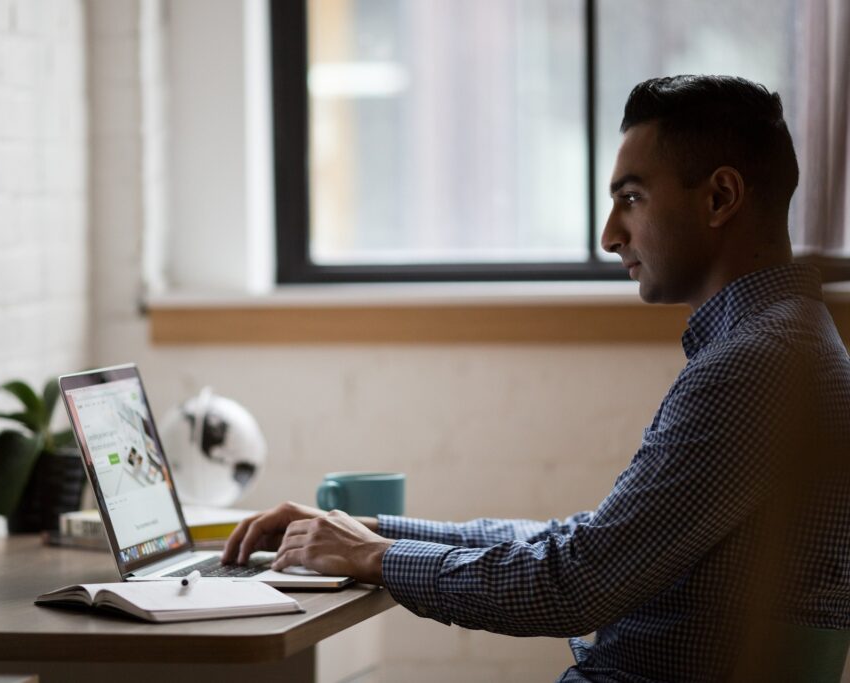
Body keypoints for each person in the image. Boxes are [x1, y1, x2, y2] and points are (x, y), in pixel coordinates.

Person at [222, 75, 850, 682]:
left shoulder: (753, 366)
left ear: (719, 197)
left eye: (631, 198)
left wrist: (374, 560)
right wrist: (374, 533)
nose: (610, 236)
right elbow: (586, 543)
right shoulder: (787, 346)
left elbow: (574, 585)